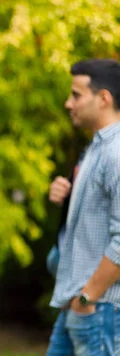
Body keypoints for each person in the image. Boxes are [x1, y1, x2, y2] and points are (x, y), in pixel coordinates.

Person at [46, 58, 120, 354]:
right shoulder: (96, 148)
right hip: (76, 306)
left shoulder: (115, 153)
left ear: (103, 99)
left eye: (76, 95)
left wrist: (87, 297)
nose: (68, 103)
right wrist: (65, 196)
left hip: (98, 309)